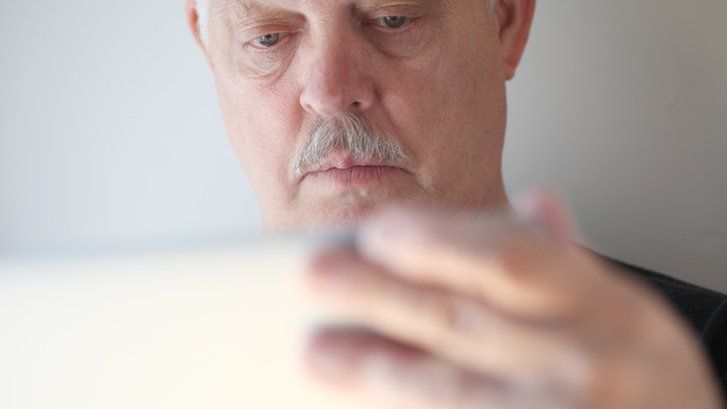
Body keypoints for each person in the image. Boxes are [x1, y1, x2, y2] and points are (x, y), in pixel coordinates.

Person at [185, 0, 726, 407]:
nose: (329, 92)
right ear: (209, 49)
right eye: (268, 37)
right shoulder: (127, 372)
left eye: (392, 18)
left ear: (506, 23)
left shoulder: (698, 366)